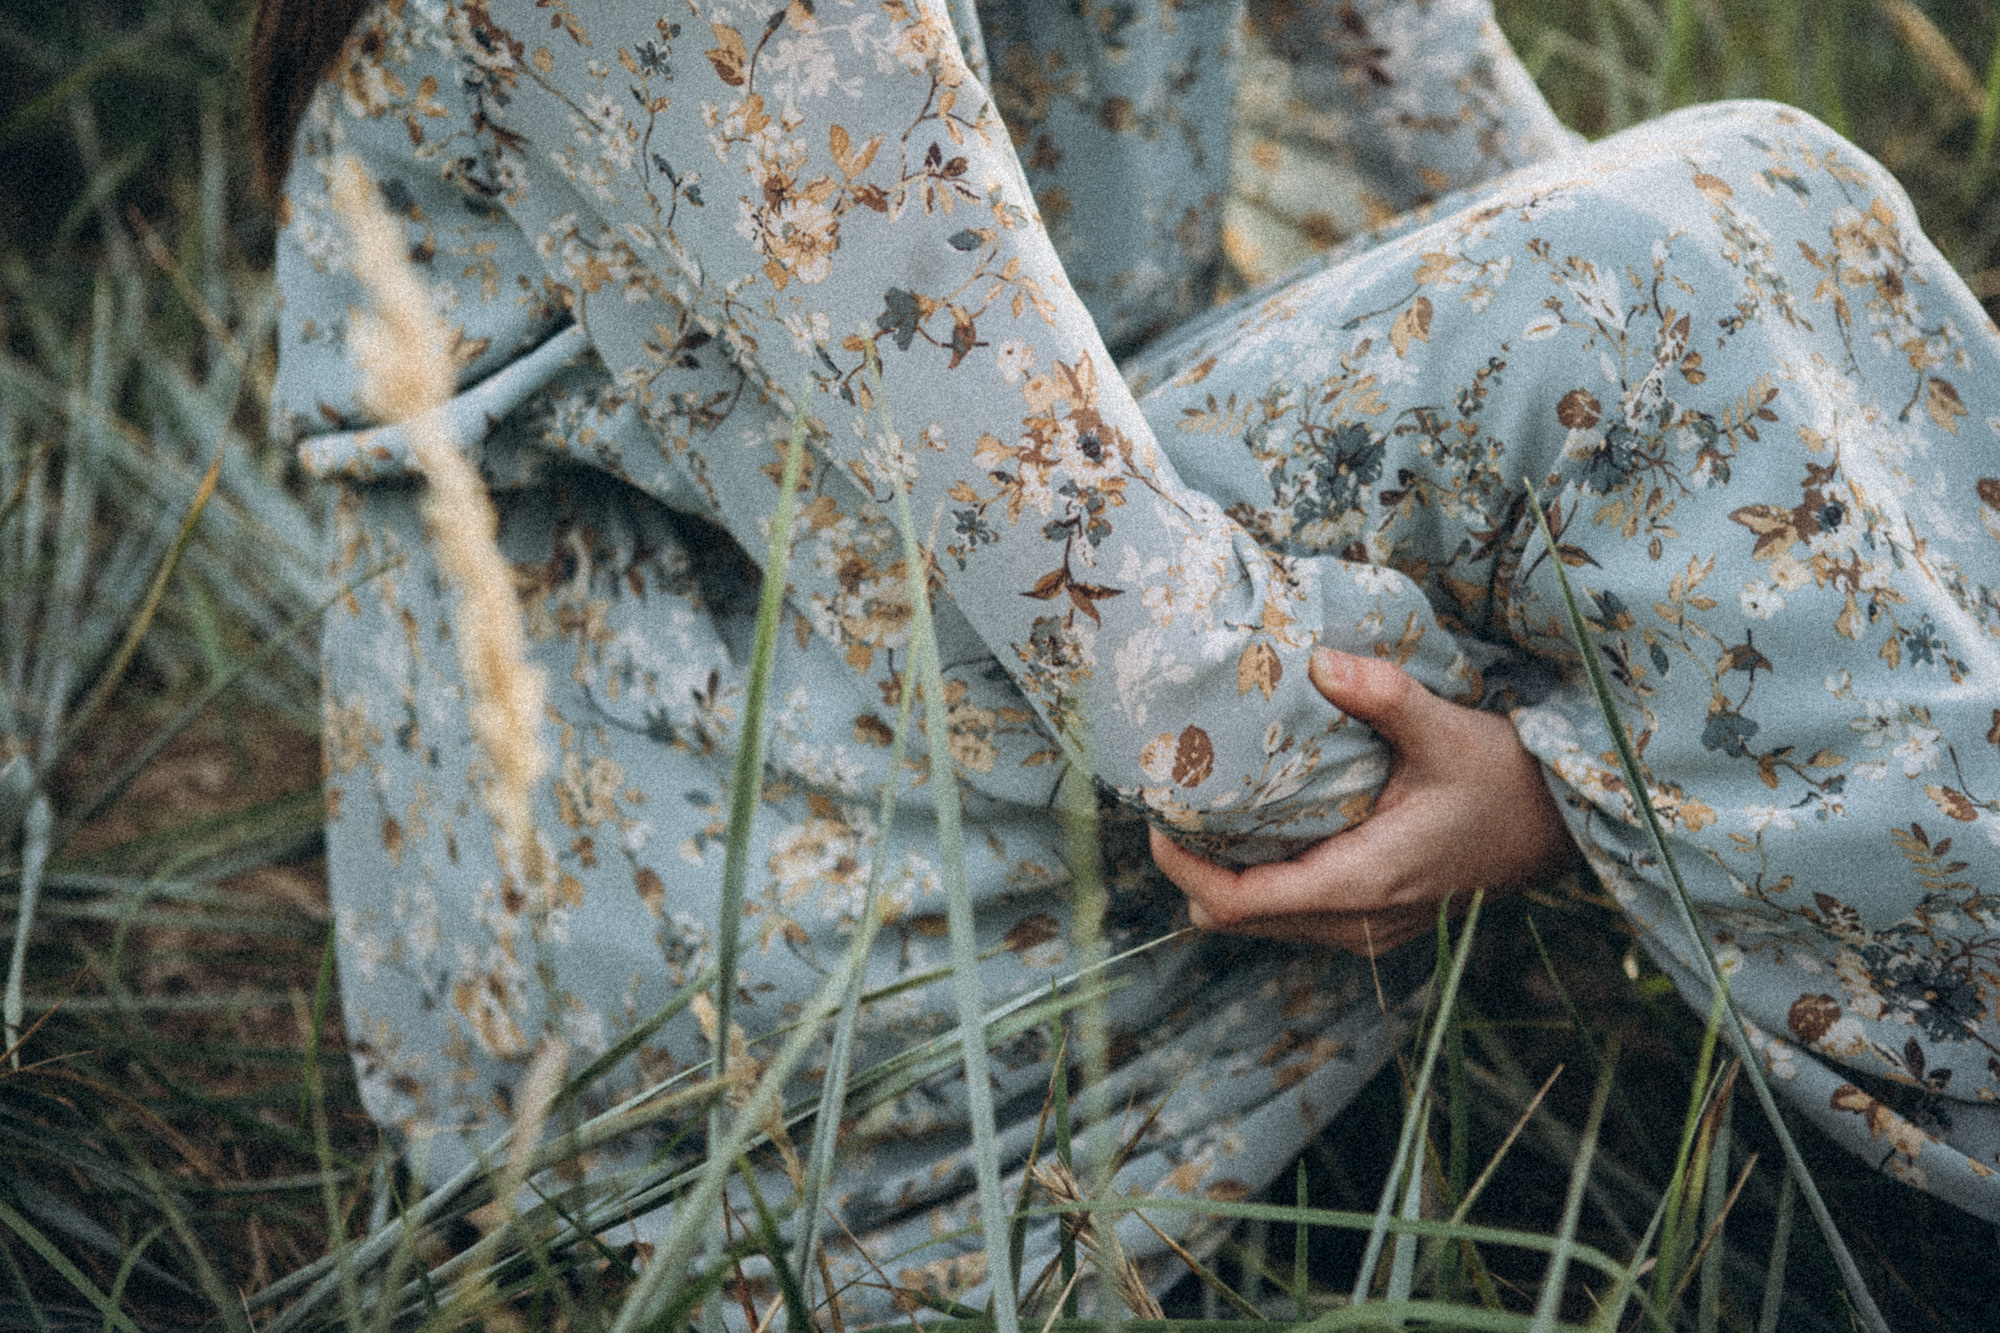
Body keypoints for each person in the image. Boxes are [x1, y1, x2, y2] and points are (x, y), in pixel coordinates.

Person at [254, 0, 2000, 1316]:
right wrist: (1570, 779)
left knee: (1762, 199)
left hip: (1031, 601)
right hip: (701, 937)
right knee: (1652, 285)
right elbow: (1198, 721)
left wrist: (1670, 631)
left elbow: (1482, 169)